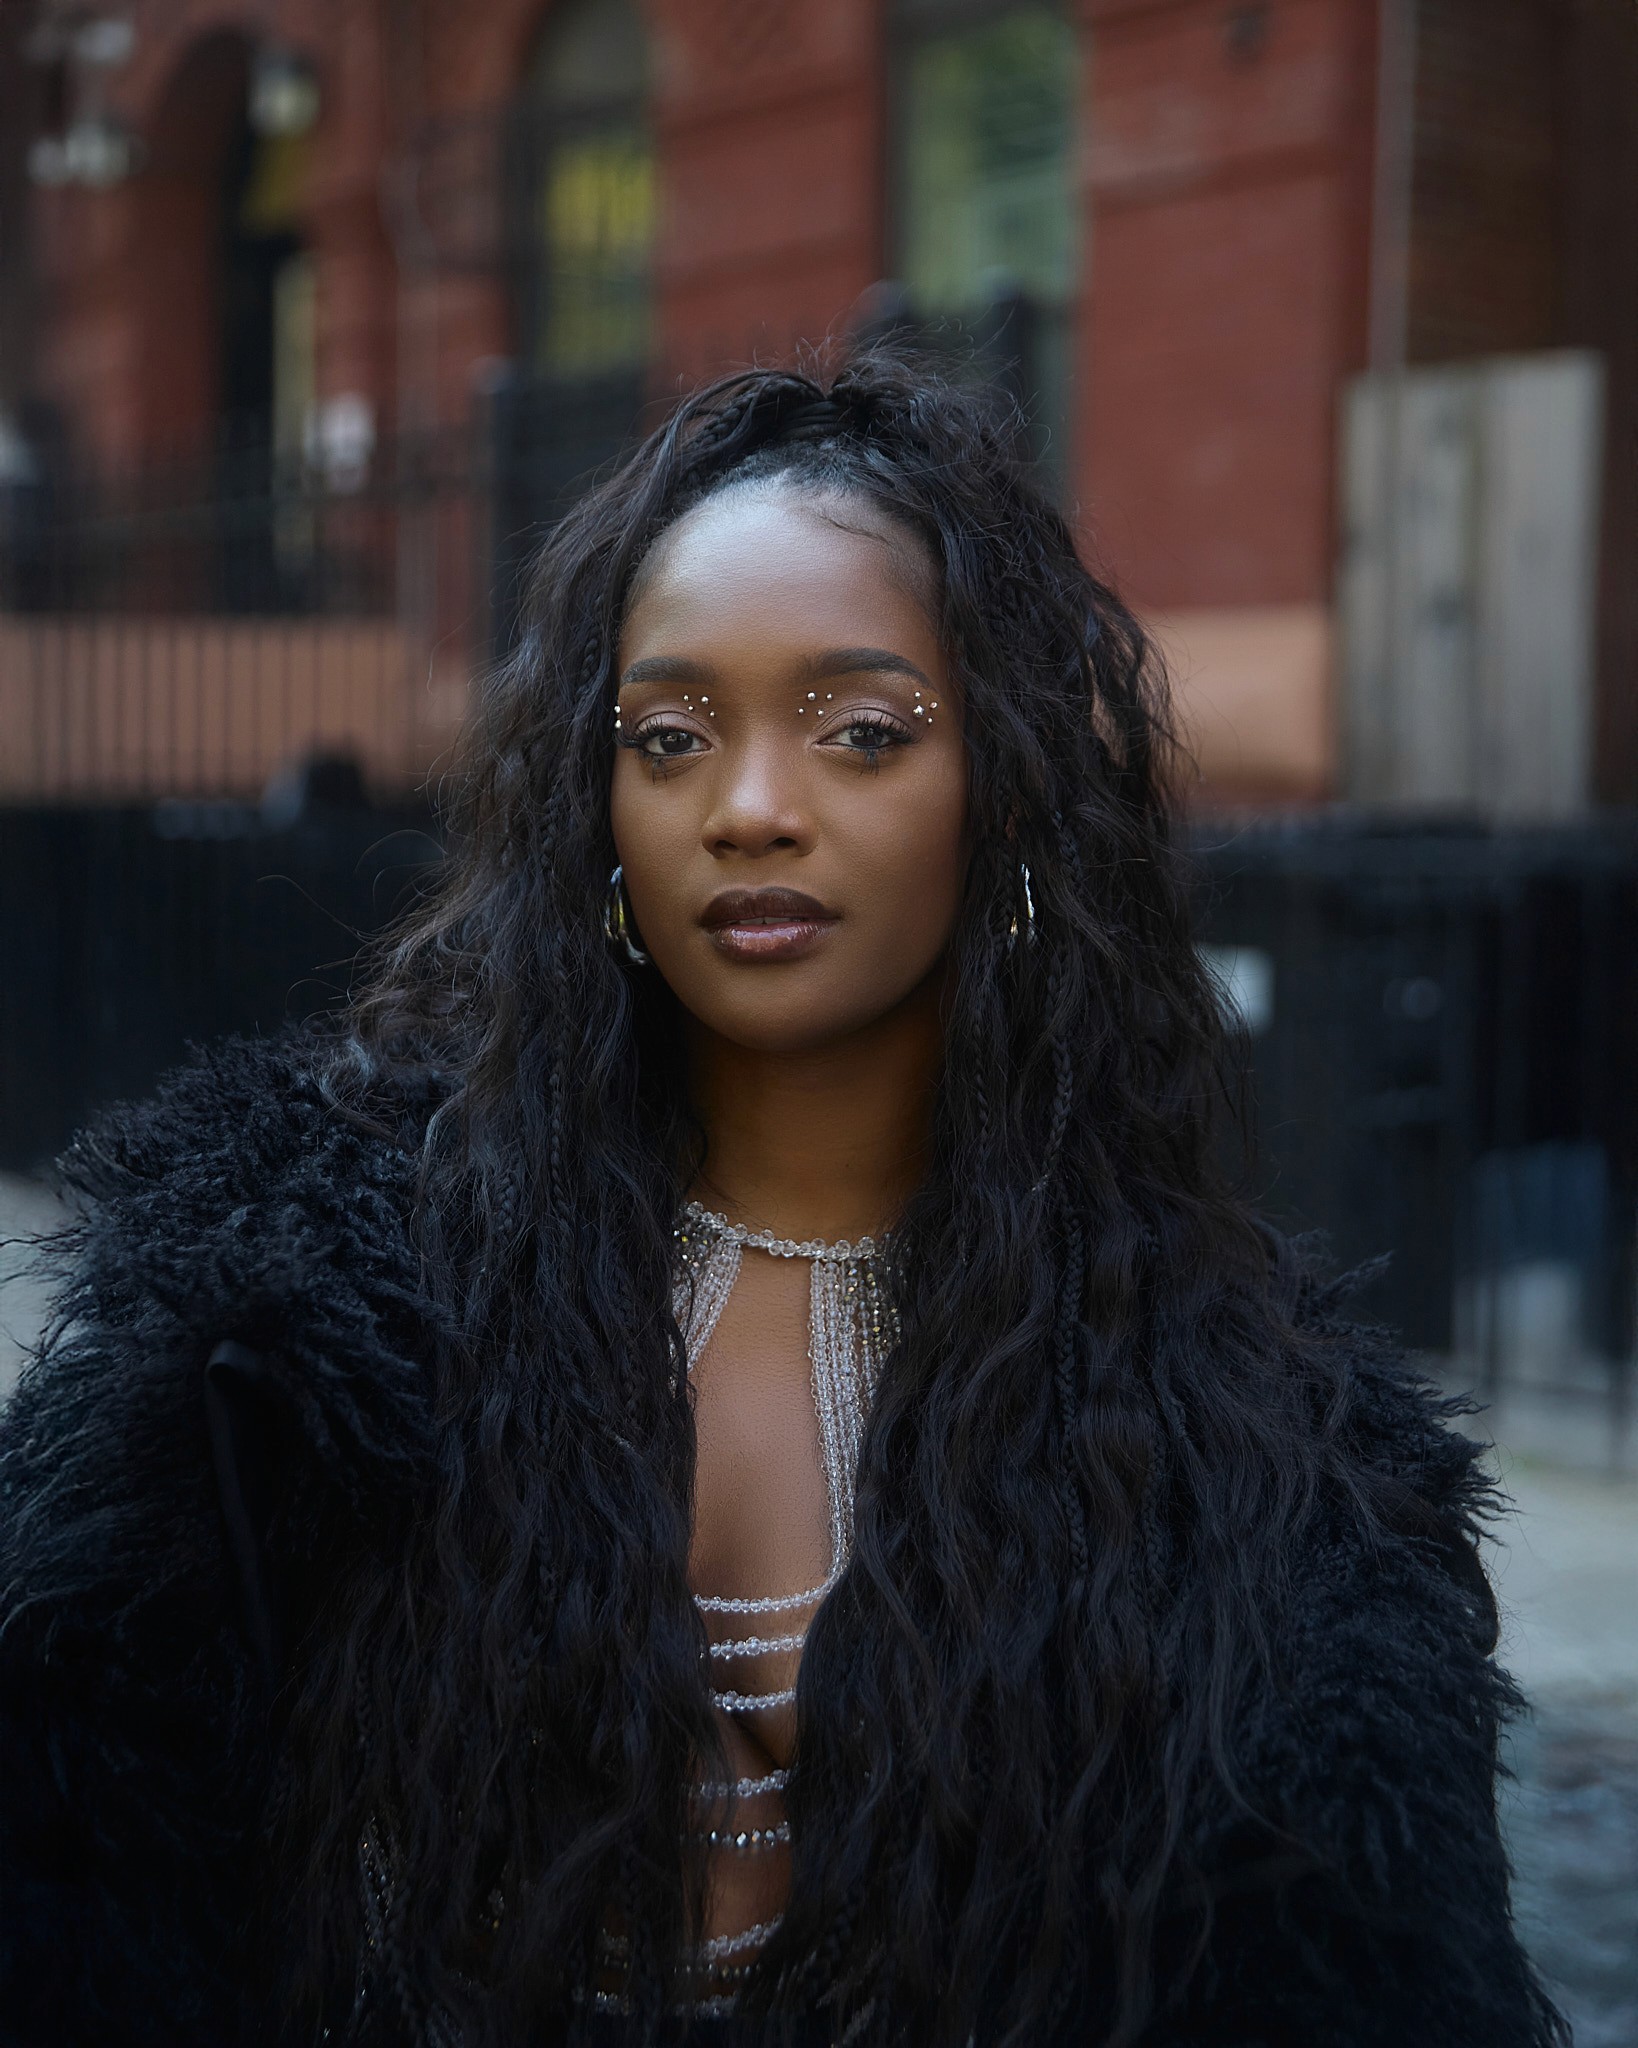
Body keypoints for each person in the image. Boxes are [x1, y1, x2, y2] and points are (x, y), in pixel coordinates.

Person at [0, 352, 1561, 2048]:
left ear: (1007, 798)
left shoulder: (1271, 1477)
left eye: (862, 732)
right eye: (668, 738)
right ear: (594, 814)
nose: (747, 809)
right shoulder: (282, 1356)